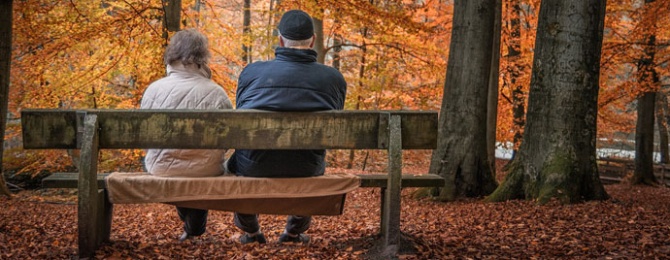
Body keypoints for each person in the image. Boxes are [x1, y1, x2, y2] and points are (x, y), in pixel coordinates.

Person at [225, 9, 347, 245]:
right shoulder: (333, 79)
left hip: (254, 166)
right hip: (306, 166)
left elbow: (242, 119)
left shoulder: (251, 73)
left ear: (280, 40)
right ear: (312, 41)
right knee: (309, 158)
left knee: (241, 158)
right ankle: (293, 233)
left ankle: (251, 233)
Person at [140, 28, 233, 242]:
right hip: (207, 168)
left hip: (160, 166)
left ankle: (192, 230)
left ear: (172, 54)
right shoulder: (216, 92)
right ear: (203, 57)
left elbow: (146, 138)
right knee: (200, 168)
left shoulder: (153, 90)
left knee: (180, 169)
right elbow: (227, 140)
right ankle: (194, 230)